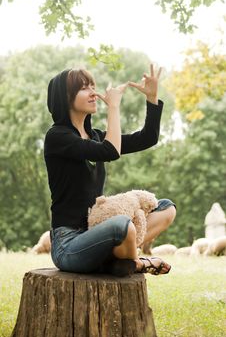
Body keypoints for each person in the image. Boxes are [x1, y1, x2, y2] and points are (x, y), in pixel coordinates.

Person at [44, 64, 176, 276]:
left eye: (92, 86)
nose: (93, 92)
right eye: (84, 88)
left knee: (166, 208)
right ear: (65, 97)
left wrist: (152, 98)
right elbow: (111, 151)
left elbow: (147, 138)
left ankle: (121, 262)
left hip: (99, 230)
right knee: (121, 225)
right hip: (69, 244)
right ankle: (138, 262)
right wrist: (113, 108)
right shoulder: (58, 137)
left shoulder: (95, 137)